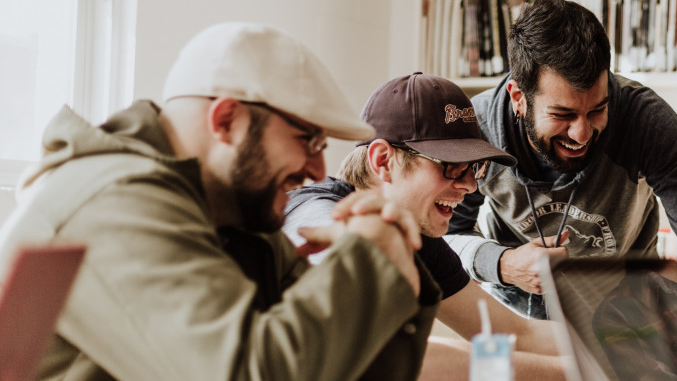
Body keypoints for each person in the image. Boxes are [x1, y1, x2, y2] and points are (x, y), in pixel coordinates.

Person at [0, 23, 440, 381]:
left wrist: (396, 261)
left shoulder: (235, 217)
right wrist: (366, 258)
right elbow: (250, 373)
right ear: (226, 119)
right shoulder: (113, 201)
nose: (317, 168)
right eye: (307, 139)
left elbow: (346, 369)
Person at [283, 72, 677, 380]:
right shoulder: (315, 211)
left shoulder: (420, 241)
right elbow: (409, 360)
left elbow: (514, 333)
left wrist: (669, 344)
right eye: (451, 168)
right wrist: (597, 372)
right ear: (384, 161)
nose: (469, 188)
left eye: (475, 170)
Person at [444, 0, 677, 348]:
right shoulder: (477, 133)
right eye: (563, 115)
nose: (581, 134)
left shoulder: (646, 121)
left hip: (629, 320)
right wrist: (503, 264)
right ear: (518, 97)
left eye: (597, 110)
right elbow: (445, 236)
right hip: (520, 325)